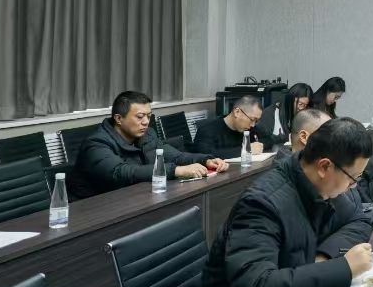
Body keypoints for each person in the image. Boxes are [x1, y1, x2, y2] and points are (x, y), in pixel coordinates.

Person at [184, 116, 373, 287]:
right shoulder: (262, 204)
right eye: (353, 179)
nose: (354, 187)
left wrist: (323, 257)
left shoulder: (323, 186)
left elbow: (359, 218)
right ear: (324, 167)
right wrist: (343, 268)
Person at [71, 91, 226, 199]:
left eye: (148, 116)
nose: (146, 122)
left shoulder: (147, 134)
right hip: (93, 211)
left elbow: (175, 156)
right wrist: (176, 171)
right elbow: (121, 172)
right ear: (118, 119)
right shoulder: (96, 143)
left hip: (133, 199)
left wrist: (205, 160)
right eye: (140, 117)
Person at [290, 108, 373, 227]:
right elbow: (332, 222)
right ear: (304, 137)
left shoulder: (338, 169)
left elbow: (351, 210)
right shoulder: (294, 179)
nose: (333, 136)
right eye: (325, 131)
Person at [193, 95, 270, 159]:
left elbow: (269, 140)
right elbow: (204, 155)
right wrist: (245, 149)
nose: (253, 125)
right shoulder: (208, 130)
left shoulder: (250, 128)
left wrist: (258, 146)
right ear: (237, 112)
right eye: (252, 119)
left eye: (256, 121)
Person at [258, 82, 312, 148]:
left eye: (305, 105)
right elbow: (261, 141)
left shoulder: (305, 115)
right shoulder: (270, 113)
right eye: (300, 104)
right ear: (290, 100)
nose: (301, 108)